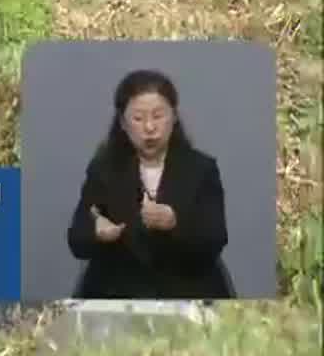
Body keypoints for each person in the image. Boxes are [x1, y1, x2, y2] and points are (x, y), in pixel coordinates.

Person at [67, 69, 234, 300]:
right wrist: (96, 232)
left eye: (158, 116)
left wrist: (175, 224)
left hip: (189, 292)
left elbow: (215, 238)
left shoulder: (201, 169)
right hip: (118, 295)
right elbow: (77, 239)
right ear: (123, 123)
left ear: (174, 117)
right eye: (138, 118)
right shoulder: (104, 169)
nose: (149, 128)